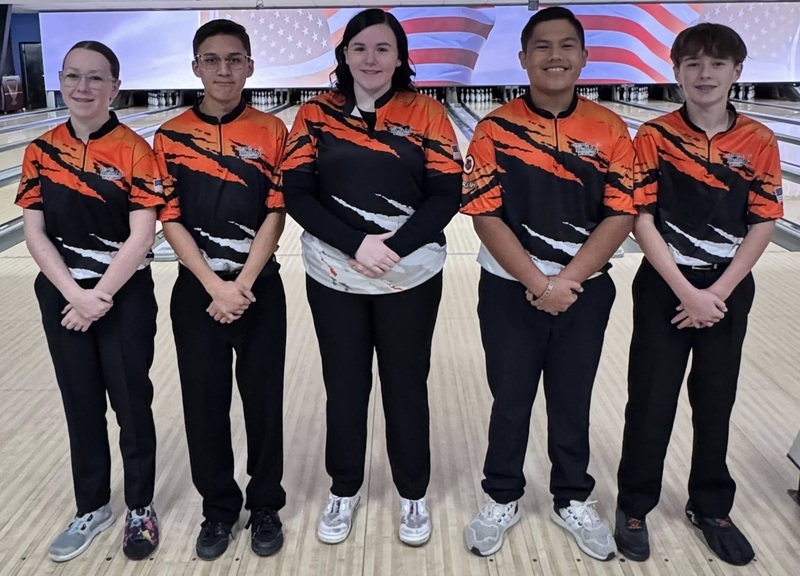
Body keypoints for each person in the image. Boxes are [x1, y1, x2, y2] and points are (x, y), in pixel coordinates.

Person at [280, 8, 462, 547]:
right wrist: (357, 244)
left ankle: (412, 493)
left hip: (411, 275)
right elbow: (297, 194)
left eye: (383, 48)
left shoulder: (427, 113)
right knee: (345, 385)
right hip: (334, 273)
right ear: (344, 56)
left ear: (400, 56)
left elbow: (446, 195)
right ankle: (344, 487)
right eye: (359, 48)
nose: (371, 58)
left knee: (406, 386)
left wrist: (393, 248)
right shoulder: (314, 115)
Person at [460, 6, 635, 561]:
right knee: (510, 398)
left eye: (566, 46)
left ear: (584, 57)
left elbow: (622, 212)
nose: (554, 56)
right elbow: (484, 213)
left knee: (571, 397)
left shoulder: (610, 128)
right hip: (510, 289)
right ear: (523, 58)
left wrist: (567, 281)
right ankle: (502, 494)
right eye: (542, 46)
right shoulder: (493, 128)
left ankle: (571, 497)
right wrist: (538, 281)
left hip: (585, 290)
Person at [615, 23, 783, 567]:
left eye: (716, 64)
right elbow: (640, 218)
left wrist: (717, 293)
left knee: (716, 397)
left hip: (727, 288)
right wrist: (687, 290)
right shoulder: (654, 137)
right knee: (651, 397)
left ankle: (711, 506)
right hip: (666, 285)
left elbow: (763, 222)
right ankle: (635, 504)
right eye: (692, 64)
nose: (704, 74)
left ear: (738, 72)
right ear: (676, 72)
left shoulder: (759, 140)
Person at [16, 41, 164, 562]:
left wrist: (99, 295)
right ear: (60, 79)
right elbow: (34, 233)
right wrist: (74, 294)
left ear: (115, 86)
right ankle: (92, 505)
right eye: (74, 77)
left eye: (96, 78)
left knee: (130, 401)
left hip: (122, 297)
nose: (83, 87)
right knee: (81, 404)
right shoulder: (39, 150)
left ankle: (140, 505)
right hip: (62, 298)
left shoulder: (135, 150)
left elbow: (142, 233)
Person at [154, 19, 287, 560]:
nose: (224, 69)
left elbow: (277, 211)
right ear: (196, 68)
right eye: (212, 60)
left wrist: (243, 284)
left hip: (259, 287)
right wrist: (214, 283)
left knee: (263, 402)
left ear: (251, 67)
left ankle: (265, 504)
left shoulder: (274, 133)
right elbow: (170, 217)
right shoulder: (168, 135)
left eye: (234, 59)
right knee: (203, 404)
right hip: (197, 291)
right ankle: (218, 509)